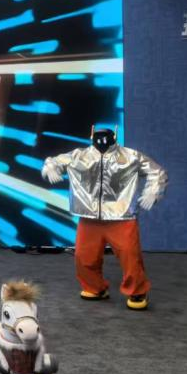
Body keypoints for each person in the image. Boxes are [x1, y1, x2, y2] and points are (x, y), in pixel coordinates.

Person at [42, 126, 168, 310]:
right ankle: (94, 287)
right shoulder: (79, 155)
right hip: (89, 216)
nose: (102, 139)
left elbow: (157, 172)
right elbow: (53, 162)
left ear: (114, 136)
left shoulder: (131, 156)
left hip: (122, 216)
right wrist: (49, 167)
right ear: (91, 135)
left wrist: (153, 191)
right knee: (84, 256)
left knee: (130, 256)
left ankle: (137, 290)